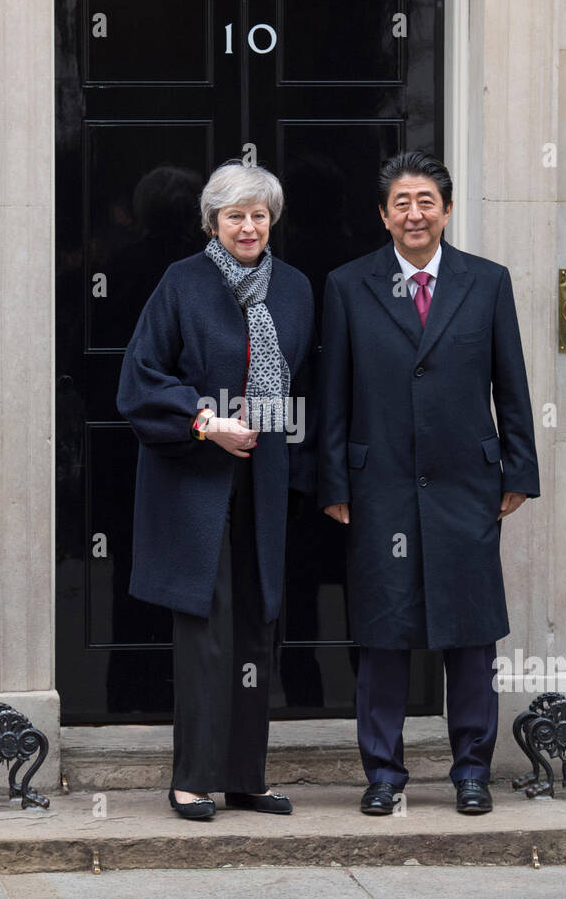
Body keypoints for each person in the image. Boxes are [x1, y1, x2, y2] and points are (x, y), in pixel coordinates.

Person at [317, 150, 540, 816]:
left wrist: (519, 467)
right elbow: (332, 395)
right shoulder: (347, 285)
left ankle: (472, 769)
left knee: (470, 636)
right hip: (377, 484)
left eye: (426, 201)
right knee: (382, 636)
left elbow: (512, 382)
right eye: (401, 202)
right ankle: (383, 772)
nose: (414, 213)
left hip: (467, 486)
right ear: (384, 215)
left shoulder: (487, 281)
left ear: (446, 210)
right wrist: (333, 481)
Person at [116, 161, 315, 820]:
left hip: (265, 479)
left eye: (259, 215)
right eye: (236, 216)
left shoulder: (294, 289)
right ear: (213, 223)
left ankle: (244, 776)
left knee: (258, 625)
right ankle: (191, 778)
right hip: (196, 481)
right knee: (205, 632)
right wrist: (207, 423)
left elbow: (299, 386)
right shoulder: (183, 284)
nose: (249, 226)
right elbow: (139, 380)